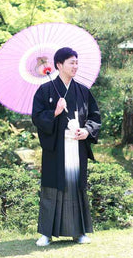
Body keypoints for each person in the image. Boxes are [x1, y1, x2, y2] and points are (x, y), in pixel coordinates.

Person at [32, 47, 101, 246]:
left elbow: (95, 117)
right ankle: (46, 233)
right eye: (71, 62)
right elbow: (36, 117)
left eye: (76, 62)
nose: (75, 66)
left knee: (75, 187)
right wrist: (55, 112)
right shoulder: (45, 90)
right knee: (52, 188)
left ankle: (78, 232)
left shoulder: (83, 90)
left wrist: (87, 131)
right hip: (56, 147)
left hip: (76, 146)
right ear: (59, 65)